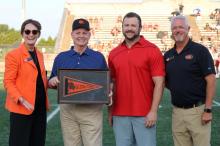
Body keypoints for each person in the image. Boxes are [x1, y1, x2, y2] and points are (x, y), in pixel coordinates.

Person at [108, 12, 165, 146]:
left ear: (140, 28)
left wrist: (153, 111)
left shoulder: (152, 50)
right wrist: (110, 112)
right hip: (120, 114)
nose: (129, 28)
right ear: (122, 27)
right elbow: (112, 85)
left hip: (144, 114)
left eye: (133, 25)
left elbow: (159, 82)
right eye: (126, 25)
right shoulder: (114, 53)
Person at [48, 18, 107, 146]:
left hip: (91, 110)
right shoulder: (61, 57)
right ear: (72, 34)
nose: (81, 36)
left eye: (85, 33)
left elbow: (106, 82)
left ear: (89, 35)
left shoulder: (98, 57)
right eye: (78, 32)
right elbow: (51, 81)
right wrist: (51, 81)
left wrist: (108, 91)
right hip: (68, 110)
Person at [164, 15, 216, 146]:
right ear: (171, 30)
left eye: (181, 27)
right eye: (174, 28)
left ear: (188, 28)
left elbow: (211, 80)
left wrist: (208, 110)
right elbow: (167, 82)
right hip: (177, 112)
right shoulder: (168, 55)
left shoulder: (200, 51)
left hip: (198, 111)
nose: (178, 30)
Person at [3, 19, 49, 146]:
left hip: (39, 109)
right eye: (27, 31)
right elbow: (8, 82)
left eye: (34, 31)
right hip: (22, 108)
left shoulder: (39, 54)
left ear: (38, 34)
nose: (31, 34)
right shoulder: (14, 55)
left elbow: (40, 78)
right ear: (22, 33)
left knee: (38, 142)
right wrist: (22, 99)